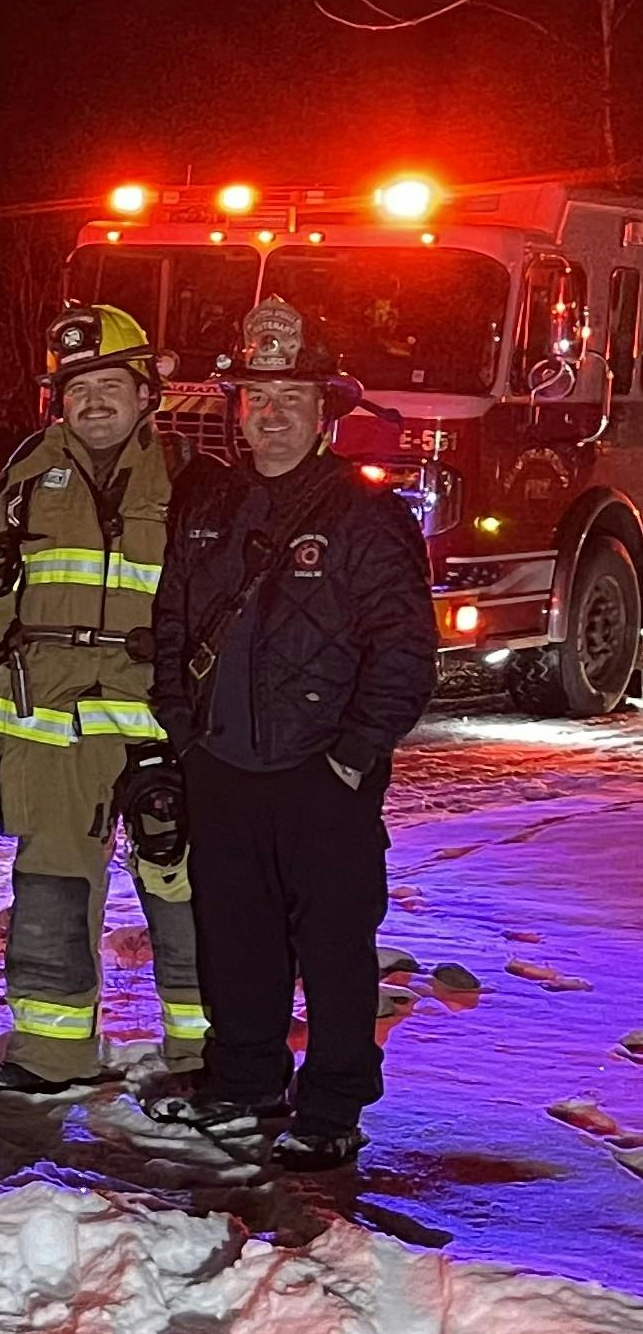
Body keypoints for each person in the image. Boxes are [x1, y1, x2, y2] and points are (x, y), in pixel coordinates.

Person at [147, 295, 434, 1172]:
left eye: (290, 400)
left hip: (322, 775)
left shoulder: (365, 517)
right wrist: (184, 730)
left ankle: (334, 1103)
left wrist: (351, 756)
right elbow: (171, 622)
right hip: (223, 764)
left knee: (335, 945)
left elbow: (404, 652)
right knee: (234, 934)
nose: (269, 416)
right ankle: (246, 1081)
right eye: (255, 399)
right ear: (237, 408)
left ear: (324, 412)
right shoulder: (209, 505)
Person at [0, 305, 203, 1097]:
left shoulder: (195, 480)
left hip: (158, 706)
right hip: (48, 710)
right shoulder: (26, 478)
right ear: (56, 401)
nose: (93, 401)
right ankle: (51, 1052)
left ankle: (206, 1056)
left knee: (180, 877)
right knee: (52, 878)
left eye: (110, 385)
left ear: (146, 395)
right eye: (77, 388)